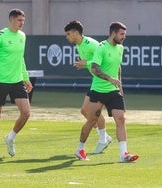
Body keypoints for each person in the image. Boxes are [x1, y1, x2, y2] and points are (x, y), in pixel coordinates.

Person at [74, 21, 139, 162]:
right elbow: (95, 68)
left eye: (124, 34)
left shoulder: (120, 48)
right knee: (91, 121)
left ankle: (124, 154)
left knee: (121, 120)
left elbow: (118, 67)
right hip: (98, 90)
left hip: (113, 91)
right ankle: (80, 149)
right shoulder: (101, 48)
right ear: (113, 33)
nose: (124, 37)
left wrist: (119, 84)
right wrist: (110, 79)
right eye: (122, 34)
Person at [0, 9, 33, 159]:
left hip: (17, 81)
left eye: (23, 21)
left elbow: (21, 58)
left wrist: (26, 77)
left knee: (26, 113)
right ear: (11, 19)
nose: (22, 23)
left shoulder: (22, 36)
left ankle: (10, 137)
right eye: (19, 20)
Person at [64, 20, 112, 154]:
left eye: (68, 34)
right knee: (85, 111)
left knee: (91, 113)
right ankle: (104, 137)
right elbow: (91, 63)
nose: (67, 37)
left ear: (75, 33)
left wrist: (87, 62)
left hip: (103, 81)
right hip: (96, 80)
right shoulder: (79, 45)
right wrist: (84, 64)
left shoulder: (91, 44)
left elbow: (105, 59)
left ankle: (103, 139)